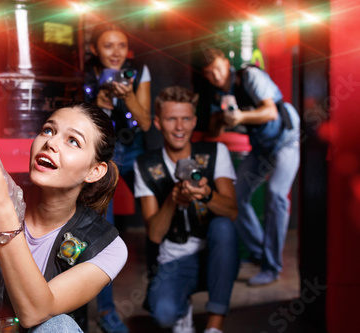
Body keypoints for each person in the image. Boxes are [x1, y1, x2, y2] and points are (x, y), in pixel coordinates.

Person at [0, 102, 128, 333]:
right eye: (48, 130)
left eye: (73, 141)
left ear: (94, 171)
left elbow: (35, 313)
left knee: (60, 327)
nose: (51, 143)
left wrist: (2, 217)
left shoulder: (109, 247)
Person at [134, 86, 239, 333]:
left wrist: (207, 195)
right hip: (175, 258)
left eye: (185, 119)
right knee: (164, 315)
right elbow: (155, 235)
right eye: (171, 119)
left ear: (194, 121)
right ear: (159, 123)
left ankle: (215, 325)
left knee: (223, 226)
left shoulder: (215, 152)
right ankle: (182, 306)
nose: (179, 127)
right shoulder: (146, 164)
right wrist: (173, 200)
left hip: (216, 257)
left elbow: (232, 211)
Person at [199, 48, 301, 286]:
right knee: (235, 196)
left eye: (217, 68)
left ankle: (271, 267)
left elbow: (270, 111)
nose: (215, 75)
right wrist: (219, 119)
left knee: (276, 195)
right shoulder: (216, 94)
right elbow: (215, 132)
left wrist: (241, 118)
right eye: (208, 72)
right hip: (261, 148)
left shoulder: (249, 77)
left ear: (226, 62)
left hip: (286, 139)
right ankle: (260, 252)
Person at [83, 22, 151, 333]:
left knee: (157, 218)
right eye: (108, 46)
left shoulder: (137, 72)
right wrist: (98, 105)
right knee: (103, 230)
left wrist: (128, 97)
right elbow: (75, 125)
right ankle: (106, 311)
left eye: (121, 46)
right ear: (95, 50)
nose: (116, 53)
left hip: (134, 148)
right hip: (101, 155)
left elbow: (147, 122)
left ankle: (160, 294)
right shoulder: (85, 75)